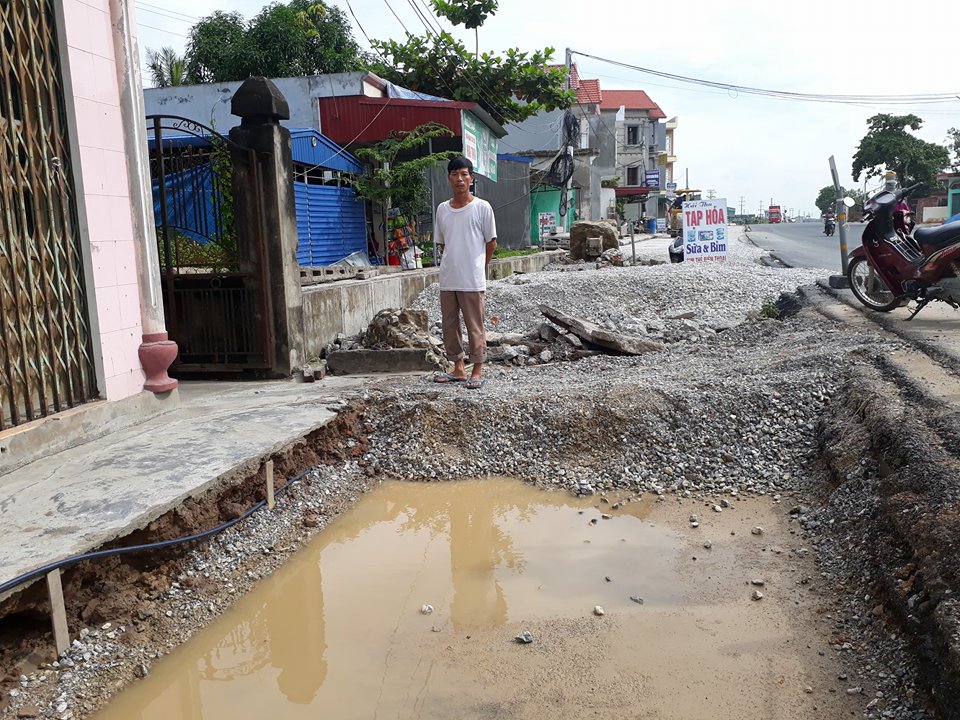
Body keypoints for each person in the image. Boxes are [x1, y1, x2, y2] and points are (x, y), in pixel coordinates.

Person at [432, 156, 497, 390]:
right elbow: (442, 244)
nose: (459, 179)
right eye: (454, 174)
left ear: (471, 177)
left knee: (474, 325)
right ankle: (458, 368)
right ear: (449, 178)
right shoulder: (442, 209)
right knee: (450, 326)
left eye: (463, 174)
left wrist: (480, 266)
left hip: (472, 279)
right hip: (448, 278)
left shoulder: (482, 207)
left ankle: (477, 369)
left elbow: (491, 243)